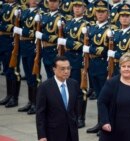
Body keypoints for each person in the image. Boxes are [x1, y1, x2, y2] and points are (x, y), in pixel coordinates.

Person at [57, 0, 89, 128]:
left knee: (79, 90)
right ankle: (70, 114)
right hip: (67, 59)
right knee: (67, 88)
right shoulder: (69, 22)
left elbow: (81, 45)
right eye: (75, 6)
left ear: (84, 8)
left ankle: (80, 117)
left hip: (77, 59)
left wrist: (65, 42)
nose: (76, 8)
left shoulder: (86, 25)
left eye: (79, 6)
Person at [36, 56, 79, 141]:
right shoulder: (45, 87)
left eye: (68, 68)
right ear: (54, 69)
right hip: (53, 133)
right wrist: (42, 135)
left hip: (71, 133)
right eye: (62, 69)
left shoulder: (74, 84)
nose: (66, 71)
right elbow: (40, 113)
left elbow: (75, 108)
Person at [84, 0, 111, 134]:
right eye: (98, 12)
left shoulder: (109, 30)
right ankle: (100, 122)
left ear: (108, 13)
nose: (100, 14)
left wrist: (90, 49)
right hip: (93, 64)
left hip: (102, 64)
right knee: (98, 97)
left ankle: (105, 123)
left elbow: (106, 50)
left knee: (103, 97)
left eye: (103, 12)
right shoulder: (92, 27)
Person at [12, 0, 40, 114]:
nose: (34, 1)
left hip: (32, 46)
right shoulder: (24, 12)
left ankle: (36, 103)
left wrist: (22, 31)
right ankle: (30, 102)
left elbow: (37, 33)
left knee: (34, 76)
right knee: (28, 76)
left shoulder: (40, 14)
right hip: (23, 46)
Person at [0, 0, 21, 108]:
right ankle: (9, 95)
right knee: (6, 70)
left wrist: (3, 27)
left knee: (13, 70)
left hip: (10, 41)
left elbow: (15, 26)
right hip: (2, 41)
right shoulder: (3, 6)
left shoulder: (18, 9)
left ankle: (14, 97)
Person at [35, 0, 63, 78]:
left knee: (55, 76)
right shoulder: (44, 16)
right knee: (49, 76)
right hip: (45, 49)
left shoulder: (61, 18)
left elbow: (59, 38)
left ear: (59, 3)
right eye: (50, 1)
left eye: (54, 2)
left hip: (54, 50)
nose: (52, 3)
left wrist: (42, 36)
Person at [107, 3, 130, 76]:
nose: (124, 18)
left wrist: (114, 54)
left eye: (127, 16)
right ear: (119, 18)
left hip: (126, 68)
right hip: (114, 67)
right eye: (122, 16)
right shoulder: (115, 33)